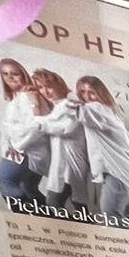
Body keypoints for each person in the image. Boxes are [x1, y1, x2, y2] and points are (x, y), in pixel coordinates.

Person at [72, 76, 129, 219]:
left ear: (101, 93)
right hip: (122, 168)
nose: (87, 97)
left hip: (118, 170)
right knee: (126, 216)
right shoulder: (107, 111)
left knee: (110, 213)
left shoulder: (97, 108)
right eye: (82, 92)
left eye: (91, 92)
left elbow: (75, 112)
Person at [30, 68, 89, 211]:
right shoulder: (58, 108)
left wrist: (37, 120)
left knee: (54, 203)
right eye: (40, 88)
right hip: (64, 164)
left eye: (48, 86)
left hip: (71, 163)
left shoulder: (71, 105)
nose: (45, 91)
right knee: (77, 205)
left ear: (59, 85)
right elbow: (46, 122)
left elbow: (65, 128)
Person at [0, 58, 50, 205]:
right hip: (23, 148)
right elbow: (8, 128)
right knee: (28, 187)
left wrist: (17, 146)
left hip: (28, 149)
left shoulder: (28, 96)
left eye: (14, 73)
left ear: (23, 74)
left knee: (4, 179)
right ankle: (50, 216)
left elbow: (36, 127)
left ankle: (22, 214)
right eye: (5, 74)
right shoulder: (16, 98)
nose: (10, 77)